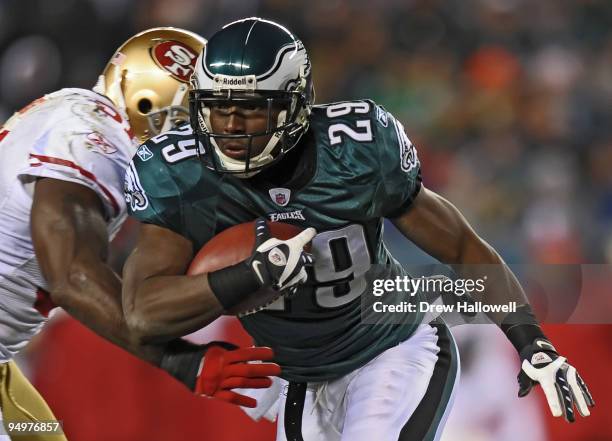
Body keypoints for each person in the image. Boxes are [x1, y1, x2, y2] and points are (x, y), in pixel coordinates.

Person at [122, 18, 594, 441]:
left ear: (295, 105)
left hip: (391, 346)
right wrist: (247, 277)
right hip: (302, 377)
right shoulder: (180, 173)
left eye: (252, 109)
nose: (231, 126)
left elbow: (462, 247)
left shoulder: (356, 150)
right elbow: (144, 313)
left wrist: (531, 340)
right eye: (218, 108)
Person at [0, 27, 279, 441]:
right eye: (203, 117)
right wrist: (182, 361)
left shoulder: (82, 118)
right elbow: (72, 277)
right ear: (150, 104)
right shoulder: (94, 138)